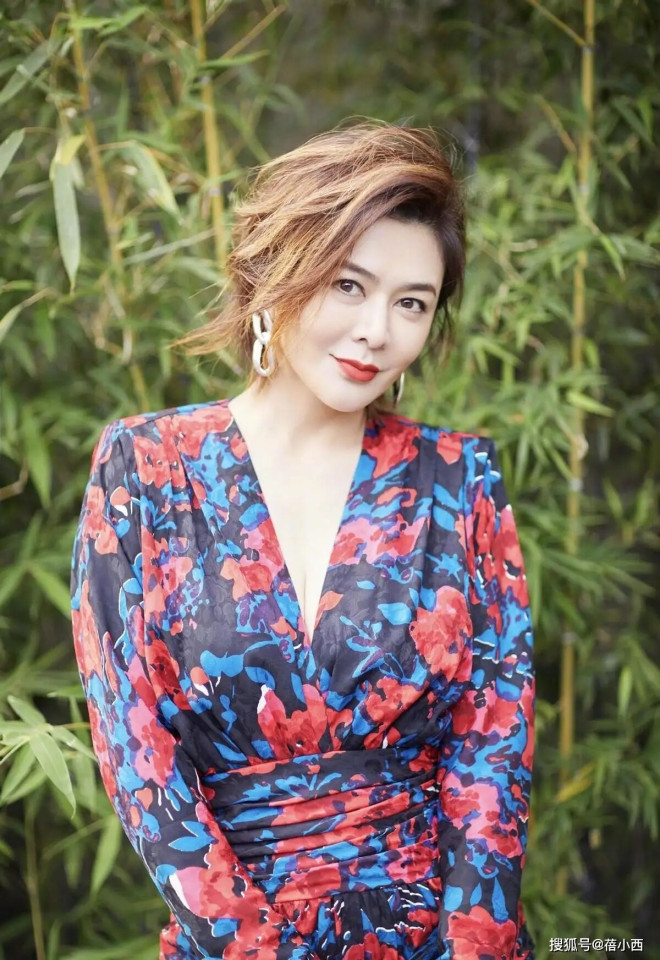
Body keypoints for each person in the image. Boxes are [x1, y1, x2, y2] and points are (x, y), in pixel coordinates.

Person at [70, 119, 536, 960]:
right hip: (231, 938)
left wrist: (475, 944)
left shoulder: (459, 479)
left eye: (411, 303)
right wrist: (248, 947)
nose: (377, 331)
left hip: (435, 934)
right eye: (349, 286)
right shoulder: (145, 469)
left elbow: (492, 745)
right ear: (274, 270)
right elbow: (136, 751)